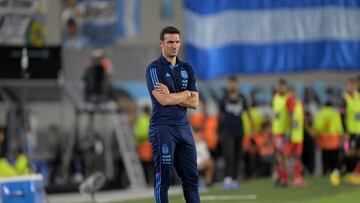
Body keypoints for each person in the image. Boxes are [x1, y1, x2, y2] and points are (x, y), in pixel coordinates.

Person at [145, 26, 200, 203]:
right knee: (164, 178)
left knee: (191, 179)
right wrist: (185, 94)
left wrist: (174, 95)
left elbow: (195, 102)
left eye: (177, 42)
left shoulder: (187, 69)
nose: (174, 46)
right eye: (170, 42)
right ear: (161, 43)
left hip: (184, 128)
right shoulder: (154, 69)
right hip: (163, 128)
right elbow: (164, 100)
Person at [218, 76, 253, 189]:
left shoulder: (242, 98)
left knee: (238, 155)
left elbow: (247, 113)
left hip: (239, 130)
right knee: (229, 155)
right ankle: (227, 178)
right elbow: (221, 115)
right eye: (231, 83)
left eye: (234, 83)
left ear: (237, 85)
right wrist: (219, 130)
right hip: (227, 131)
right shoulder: (224, 99)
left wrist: (252, 126)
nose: (232, 85)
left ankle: (234, 178)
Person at [312, 101, 343, 185]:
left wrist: (317, 138)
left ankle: (325, 174)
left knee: (325, 160)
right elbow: (339, 128)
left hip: (323, 141)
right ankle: (334, 175)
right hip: (334, 141)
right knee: (334, 160)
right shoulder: (335, 114)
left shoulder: (320, 114)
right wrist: (341, 138)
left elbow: (316, 128)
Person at [271, 79, 293, 186]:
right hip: (276, 131)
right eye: (279, 86)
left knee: (283, 155)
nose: (280, 88)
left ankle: (285, 178)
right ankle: (280, 176)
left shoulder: (288, 99)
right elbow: (275, 115)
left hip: (283, 132)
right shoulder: (275, 98)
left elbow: (291, 116)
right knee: (277, 155)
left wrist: (289, 131)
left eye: (282, 86)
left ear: (285, 87)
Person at [340, 78, 360, 185]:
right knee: (349, 152)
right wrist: (345, 131)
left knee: (357, 153)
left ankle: (354, 173)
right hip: (350, 132)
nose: (351, 87)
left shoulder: (357, 97)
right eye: (349, 85)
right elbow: (342, 116)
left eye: (353, 85)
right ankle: (340, 171)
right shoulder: (344, 99)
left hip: (358, 131)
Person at [134, 105, 154, 185]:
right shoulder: (147, 119)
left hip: (142, 144)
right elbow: (145, 132)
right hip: (146, 144)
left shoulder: (140, 119)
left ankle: (148, 181)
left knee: (145, 165)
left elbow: (136, 132)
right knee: (149, 165)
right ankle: (149, 181)